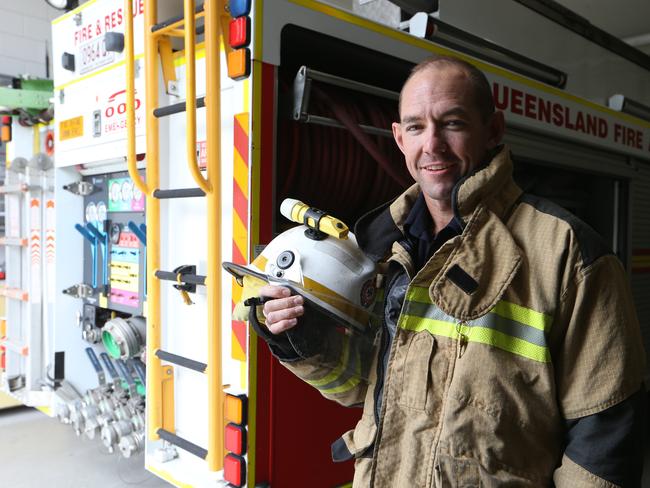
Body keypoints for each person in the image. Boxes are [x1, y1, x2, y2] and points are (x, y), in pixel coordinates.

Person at [255, 56, 646, 486]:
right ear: (399, 139)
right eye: (417, 127)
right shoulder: (379, 245)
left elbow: (604, 438)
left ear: (493, 130)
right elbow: (364, 386)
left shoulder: (568, 253)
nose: (433, 145)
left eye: (453, 123)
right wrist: (301, 340)